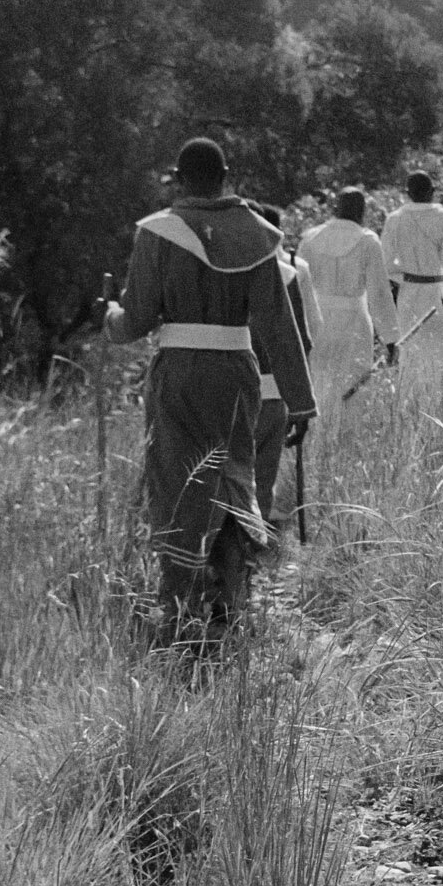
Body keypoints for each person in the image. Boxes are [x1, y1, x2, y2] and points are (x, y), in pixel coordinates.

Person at [103, 137, 315, 639]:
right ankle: (231, 596)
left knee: (178, 481)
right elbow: (279, 328)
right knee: (232, 477)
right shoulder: (259, 236)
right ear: (226, 175)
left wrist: (109, 316)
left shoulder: (159, 233)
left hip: (179, 373)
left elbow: (135, 320)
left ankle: (180, 604)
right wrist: (300, 403)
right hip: (237, 378)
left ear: (180, 178)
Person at [295, 186, 397, 432]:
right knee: (353, 382)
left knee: (319, 378)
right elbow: (379, 294)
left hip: (316, 318)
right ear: (362, 211)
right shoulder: (367, 240)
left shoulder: (310, 238)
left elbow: (297, 284)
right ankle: (346, 435)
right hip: (354, 320)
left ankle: (317, 434)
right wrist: (392, 338)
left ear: (335, 208)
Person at [246, 203, 315, 539]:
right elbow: (301, 342)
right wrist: (300, 402)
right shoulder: (286, 275)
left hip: (228, 393)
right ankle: (250, 550)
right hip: (273, 394)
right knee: (262, 477)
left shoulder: (217, 270)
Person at [380, 170, 443, 387]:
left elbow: (386, 266)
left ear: (408, 193)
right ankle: (435, 408)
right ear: (432, 191)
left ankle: (408, 409)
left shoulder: (394, 220)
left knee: (410, 357)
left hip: (409, 296)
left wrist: (407, 278)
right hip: (440, 297)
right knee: (439, 358)